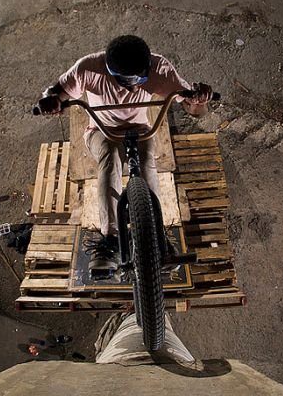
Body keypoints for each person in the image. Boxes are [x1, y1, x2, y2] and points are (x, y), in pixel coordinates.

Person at [37, 35, 212, 275]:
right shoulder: (89, 68)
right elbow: (56, 91)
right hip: (101, 129)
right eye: (123, 82)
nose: (132, 88)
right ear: (109, 70)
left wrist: (199, 100)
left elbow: (194, 109)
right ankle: (109, 240)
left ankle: (157, 235)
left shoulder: (160, 68)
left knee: (147, 161)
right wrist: (50, 100)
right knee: (110, 158)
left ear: (147, 67)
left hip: (141, 129)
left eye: (140, 80)